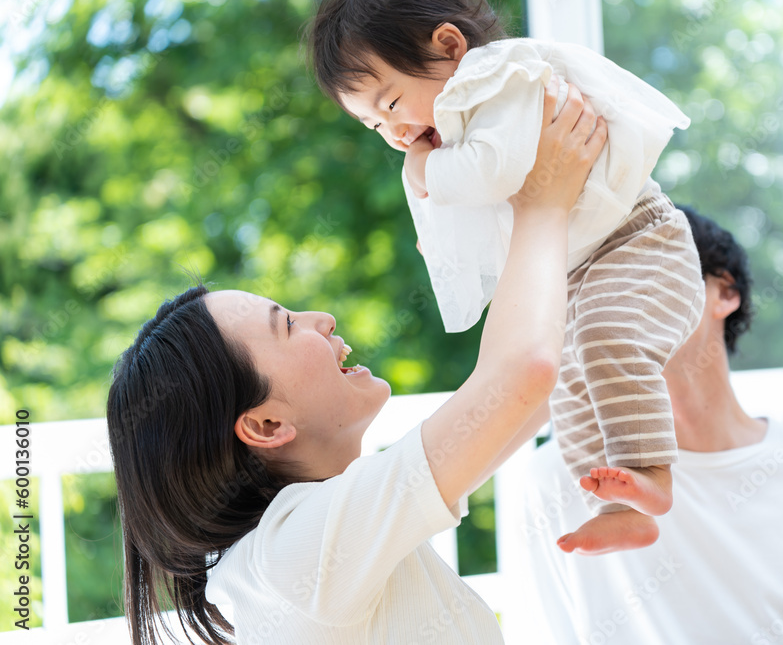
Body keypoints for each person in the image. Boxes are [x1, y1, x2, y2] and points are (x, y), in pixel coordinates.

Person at [105, 83, 606, 644]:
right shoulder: (296, 554)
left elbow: (532, 392)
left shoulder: (304, 543)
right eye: (286, 324)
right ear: (266, 424)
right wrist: (544, 203)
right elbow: (523, 376)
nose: (322, 318)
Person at [309, 0, 704, 556]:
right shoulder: (463, 124)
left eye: (390, 105)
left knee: (604, 339)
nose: (395, 134)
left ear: (450, 47)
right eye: (374, 126)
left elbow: (492, 172)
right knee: (568, 385)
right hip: (577, 269)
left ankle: (651, 470)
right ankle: (619, 506)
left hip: (635, 240)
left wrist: (422, 172)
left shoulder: (498, 77)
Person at [520, 206, 783, 644]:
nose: (618, 304)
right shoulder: (566, 483)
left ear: (724, 292)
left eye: (644, 278)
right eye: (593, 289)